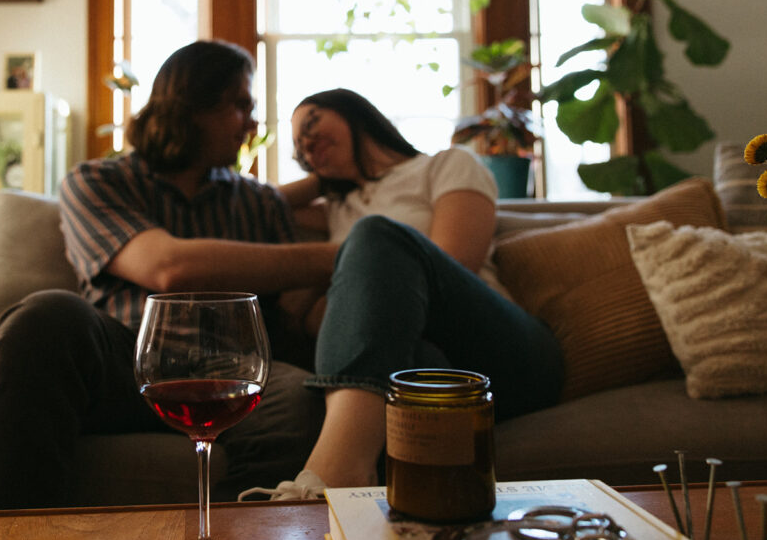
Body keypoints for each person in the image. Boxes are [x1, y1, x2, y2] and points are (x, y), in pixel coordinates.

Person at [0, 40, 337, 510]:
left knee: (295, 397)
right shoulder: (97, 181)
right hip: (126, 365)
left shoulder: (261, 202)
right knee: (46, 315)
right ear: (191, 106)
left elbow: (295, 311)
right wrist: (335, 256)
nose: (251, 124)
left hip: (234, 371)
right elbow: (167, 267)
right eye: (240, 106)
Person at [240, 88, 564, 499]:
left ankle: (335, 474)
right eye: (299, 144)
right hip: (428, 371)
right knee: (413, 369)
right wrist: (319, 176)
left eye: (313, 122)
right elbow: (260, 204)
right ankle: (362, 499)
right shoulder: (338, 206)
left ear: (354, 112)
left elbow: (456, 260)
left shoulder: (446, 165)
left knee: (376, 235)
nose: (306, 141)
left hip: (506, 354)